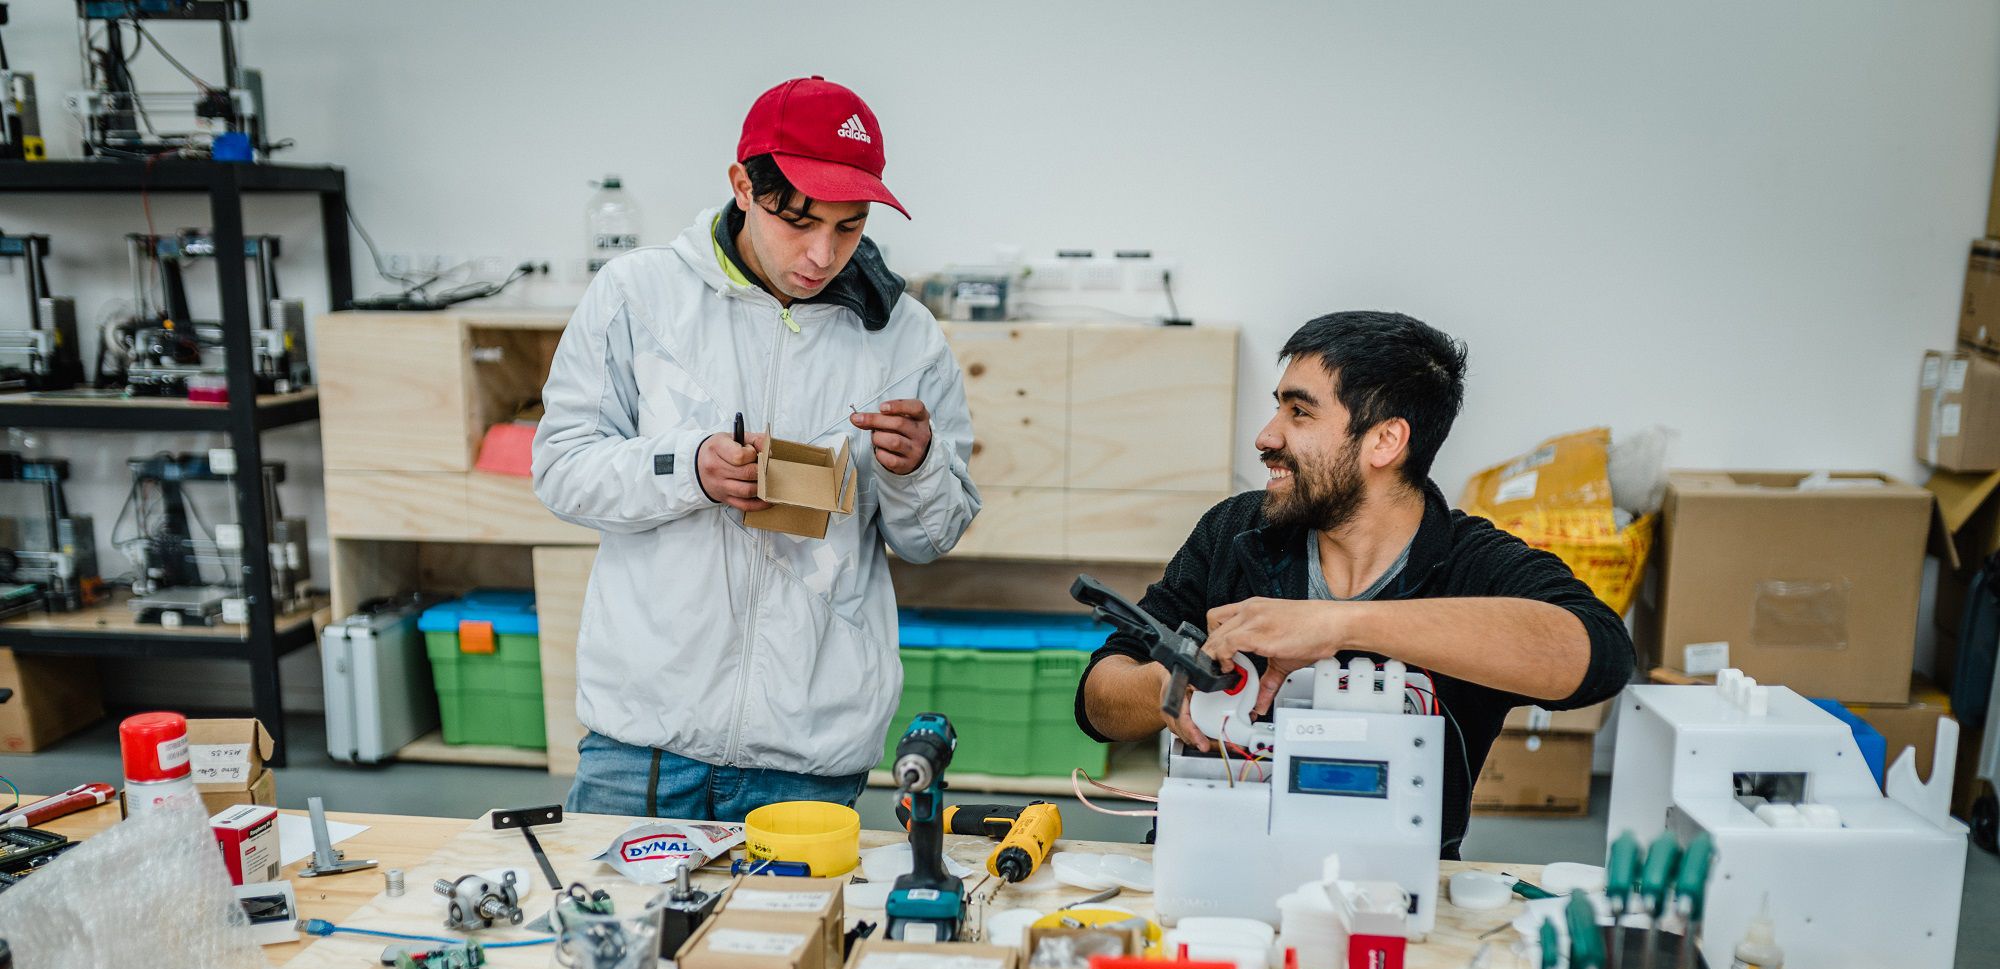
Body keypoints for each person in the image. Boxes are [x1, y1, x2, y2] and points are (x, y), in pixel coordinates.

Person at [533, 76, 979, 820]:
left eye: (849, 226)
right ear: (742, 185)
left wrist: (918, 468)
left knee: (788, 939)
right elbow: (561, 469)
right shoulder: (638, 296)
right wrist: (690, 468)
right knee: (617, 934)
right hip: (643, 736)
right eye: (797, 221)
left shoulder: (905, 336)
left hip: (809, 747)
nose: (822, 252)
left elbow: (932, 538)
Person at [1076, 310, 1633, 858]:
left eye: (1299, 412)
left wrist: (1338, 623)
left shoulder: (1472, 563)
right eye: (1278, 408)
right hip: (1207, 872)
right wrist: (1177, 685)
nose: (1266, 436)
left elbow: (1599, 656)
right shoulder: (1234, 533)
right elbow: (1098, 702)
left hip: (1390, 898)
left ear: (1385, 441)